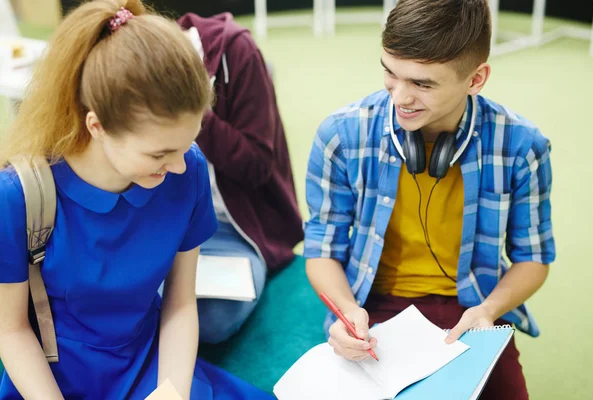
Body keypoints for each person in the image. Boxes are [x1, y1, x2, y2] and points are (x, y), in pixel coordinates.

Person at [0, 1, 275, 399]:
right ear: (96, 126)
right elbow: (11, 330)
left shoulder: (188, 170)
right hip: (53, 380)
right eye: (159, 154)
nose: (180, 166)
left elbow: (180, 305)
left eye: (187, 144)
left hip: (151, 365)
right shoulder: (19, 194)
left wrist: (173, 392)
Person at [303, 1, 555, 399]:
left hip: (475, 308)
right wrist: (348, 312)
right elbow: (321, 249)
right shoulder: (341, 135)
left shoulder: (522, 146)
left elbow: (534, 258)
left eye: (422, 83)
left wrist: (489, 310)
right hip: (372, 307)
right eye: (390, 71)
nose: (399, 97)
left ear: (476, 79)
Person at [176, 12, 303, 344]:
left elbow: (259, 164)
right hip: (163, 227)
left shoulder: (235, 51)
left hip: (233, 229)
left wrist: (191, 112)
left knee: (210, 319)